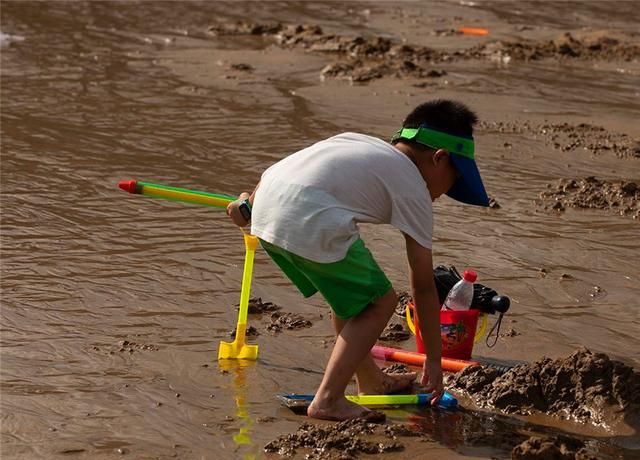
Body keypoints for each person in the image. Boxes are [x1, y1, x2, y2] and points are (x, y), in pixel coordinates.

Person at [227, 99, 490, 422]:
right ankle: (328, 399)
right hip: (310, 216)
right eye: (453, 182)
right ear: (440, 158)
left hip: (267, 206)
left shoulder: (358, 142)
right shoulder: (414, 190)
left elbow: (289, 169)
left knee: (350, 303)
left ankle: (370, 380)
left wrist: (246, 205)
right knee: (379, 302)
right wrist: (432, 361)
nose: (443, 195)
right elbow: (422, 286)